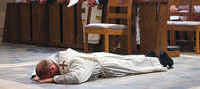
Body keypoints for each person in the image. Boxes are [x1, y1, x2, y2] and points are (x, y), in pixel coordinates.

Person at [31, 48, 173, 84]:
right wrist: (35, 75)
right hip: (97, 56)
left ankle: (162, 61)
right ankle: (150, 57)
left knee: (132, 67)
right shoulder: (56, 58)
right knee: (128, 60)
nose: (54, 75)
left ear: (52, 69)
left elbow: (78, 77)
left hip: (105, 65)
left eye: (51, 74)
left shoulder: (73, 63)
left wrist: (52, 80)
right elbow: (43, 63)